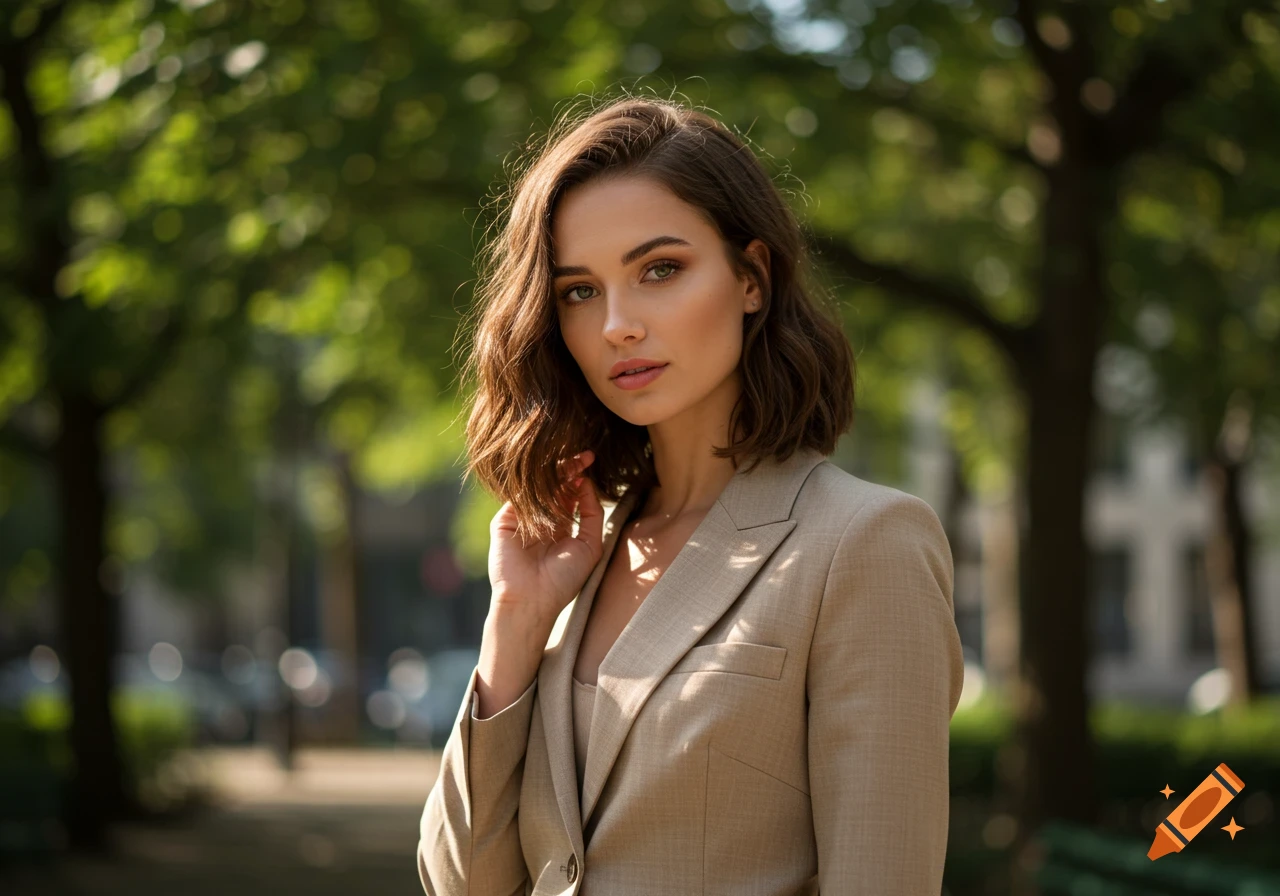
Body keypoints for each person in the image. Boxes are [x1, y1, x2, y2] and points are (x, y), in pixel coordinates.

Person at [418, 93, 966, 895]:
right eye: (579, 291)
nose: (617, 324)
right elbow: (461, 884)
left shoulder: (864, 542)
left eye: (660, 270)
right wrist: (518, 623)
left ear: (751, 278)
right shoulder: (575, 558)